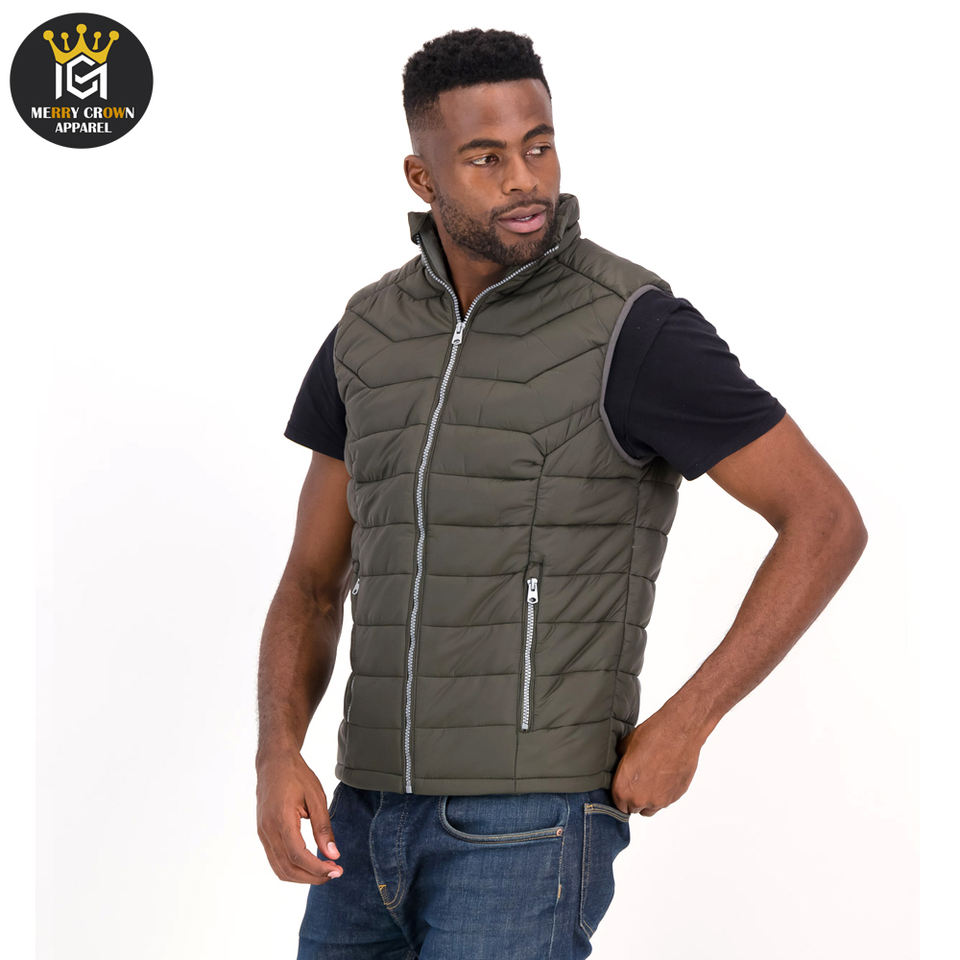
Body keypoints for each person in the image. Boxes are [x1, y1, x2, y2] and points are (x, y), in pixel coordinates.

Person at [256, 27, 868, 960]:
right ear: (422, 178)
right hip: (363, 812)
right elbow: (311, 581)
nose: (525, 181)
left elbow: (825, 521)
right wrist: (277, 752)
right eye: (486, 158)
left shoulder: (632, 325)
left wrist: (688, 721)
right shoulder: (367, 334)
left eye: (539, 145)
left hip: (530, 825)